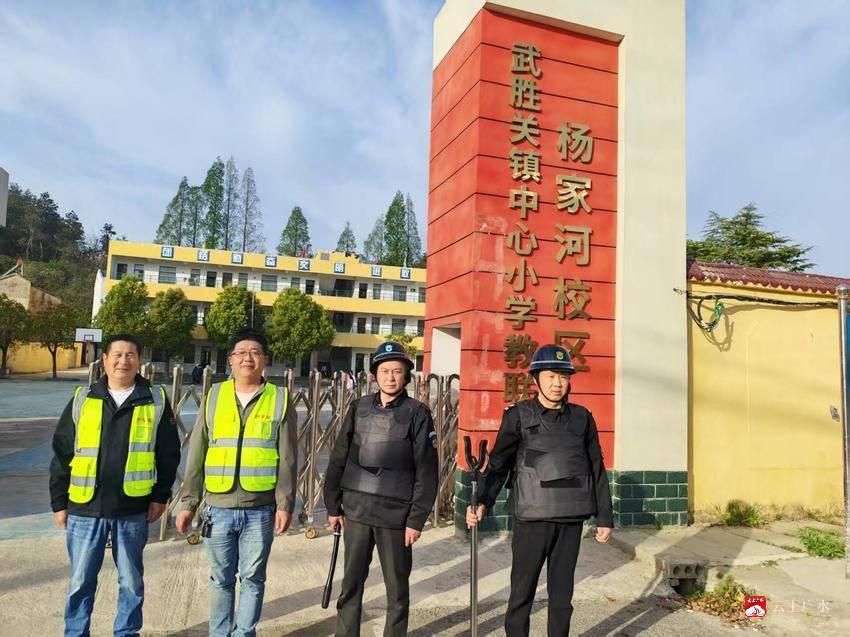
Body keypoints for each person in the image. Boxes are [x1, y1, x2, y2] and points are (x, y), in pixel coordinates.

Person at [466, 344, 614, 637]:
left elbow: (596, 468)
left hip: (570, 519)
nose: (557, 383)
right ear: (536, 379)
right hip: (531, 519)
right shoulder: (518, 416)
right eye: (550, 376)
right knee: (522, 593)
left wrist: (604, 517)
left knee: (562, 597)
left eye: (563, 376)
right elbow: (499, 463)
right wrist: (483, 500)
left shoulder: (583, 418)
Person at [49, 332, 181, 637]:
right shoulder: (83, 399)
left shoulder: (155, 400)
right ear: (105, 360)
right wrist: (58, 502)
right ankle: (75, 633)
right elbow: (62, 453)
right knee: (80, 581)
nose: (124, 361)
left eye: (130, 355)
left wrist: (160, 496)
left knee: (131, 582)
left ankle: (126, 632)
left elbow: (168, 454)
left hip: (132, 509)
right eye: (117, 355)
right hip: (84, 509)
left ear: (139, 361)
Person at [175, 328, 297, 637]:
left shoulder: (279, 398)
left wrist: (285, 504)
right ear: (230, 360)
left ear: (265, 360)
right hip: (218, 508)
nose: (247, 358)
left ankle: (244, 633)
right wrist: (189, 502)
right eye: (241, 352)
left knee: (253, 579)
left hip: (260, 509)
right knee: (221, 579)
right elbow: (197, 450)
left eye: (255, 352)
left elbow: (288, 457)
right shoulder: (214, 396)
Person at [323, 342, 438, 637]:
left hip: (395, 518)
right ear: (375, 374)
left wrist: (415, 520)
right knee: (351, 586)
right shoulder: (358, 408)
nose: (391, 377)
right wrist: (333, 506)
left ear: (406, 375)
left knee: (397, 592)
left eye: (397, 371)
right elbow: (339, 457)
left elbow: (426, 472)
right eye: (385, 371)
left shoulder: (418, 414)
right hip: (357, 512)